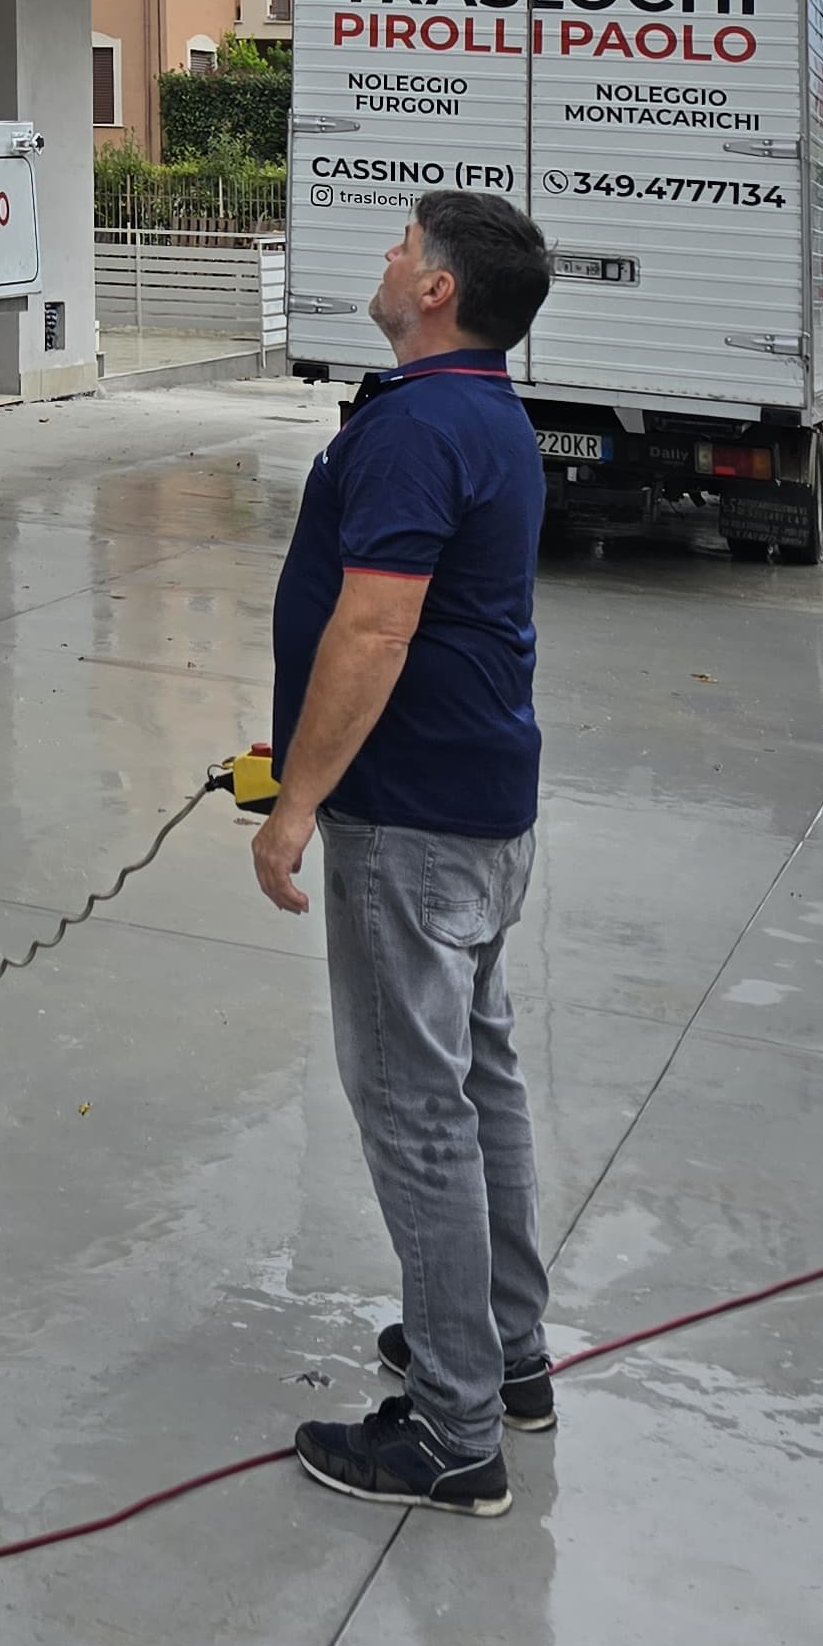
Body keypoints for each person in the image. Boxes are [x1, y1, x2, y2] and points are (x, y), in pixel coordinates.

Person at [253, 188, 555, 1517]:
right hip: (480, 802)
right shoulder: (480, 412)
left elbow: (373, 633)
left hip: (413, 817)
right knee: (477, 1081)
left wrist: (294, 801)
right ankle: (506, 1352)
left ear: (436, 289)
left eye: (398, 248)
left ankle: (452, 1428)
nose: (384, 261)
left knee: (416, 1110)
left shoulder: (422, 425)